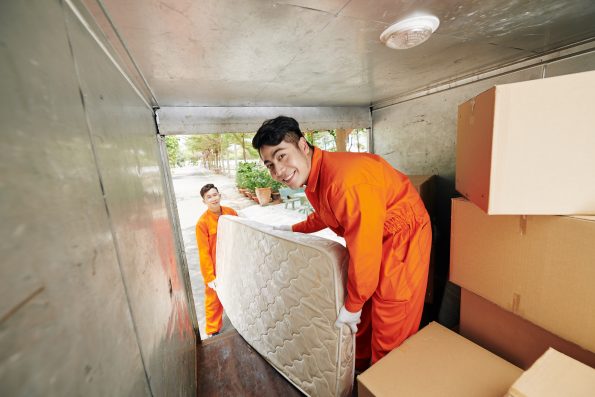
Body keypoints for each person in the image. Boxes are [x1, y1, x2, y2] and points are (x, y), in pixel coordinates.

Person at [252, 116, 431, 369]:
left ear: (303, 146)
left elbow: (365, 249)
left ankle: (384, 381)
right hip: (373, 231)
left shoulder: (345, 182)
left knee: (391, 315)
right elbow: (328, 212)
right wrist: (293, 228)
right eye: (270, 164)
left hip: (403, 234)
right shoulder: (315, 175)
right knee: (364, 313)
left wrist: (353, 304)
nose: (278, 171)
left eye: (282, 156)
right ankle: (358, 372)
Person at [195, 183, 238, 337]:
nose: (213, 199)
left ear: (220, 195)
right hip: (216, 266)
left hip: (232, 260)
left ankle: (240, 319)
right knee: (213, 299)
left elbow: (240, 234)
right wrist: (209, 277)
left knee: (237, 291)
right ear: (204, 201)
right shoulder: (202, 223)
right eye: (209, 197)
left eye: (215, 195)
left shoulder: (231, 212)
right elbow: (203, 252)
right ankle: (213, 330)